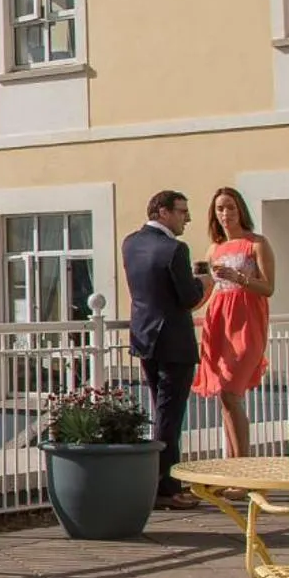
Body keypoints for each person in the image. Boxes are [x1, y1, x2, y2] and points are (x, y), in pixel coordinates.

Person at [122, 190, 212, 510]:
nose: (186, 218)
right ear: (162, 212)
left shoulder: (130, 243)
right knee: (170, 416)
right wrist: (206, 283)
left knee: (160, 411)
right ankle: (167, 487)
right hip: (174, 341)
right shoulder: (175, 249)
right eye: (181, 212)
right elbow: (188, 298)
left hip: (145, 337)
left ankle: (160, 482)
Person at [194, 186, 275, 458]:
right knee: (225, 398)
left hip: (247, 321)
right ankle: (233, 466)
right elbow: (206, 292)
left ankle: (242, 467)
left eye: (230, 207)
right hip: (218, 322)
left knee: (230, 393)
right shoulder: (214, 249)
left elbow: (268, 287)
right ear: (213, 215)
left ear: (240, 209)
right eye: (220, 209)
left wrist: (237, 276)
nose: (225, 213)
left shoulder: (257, 243)